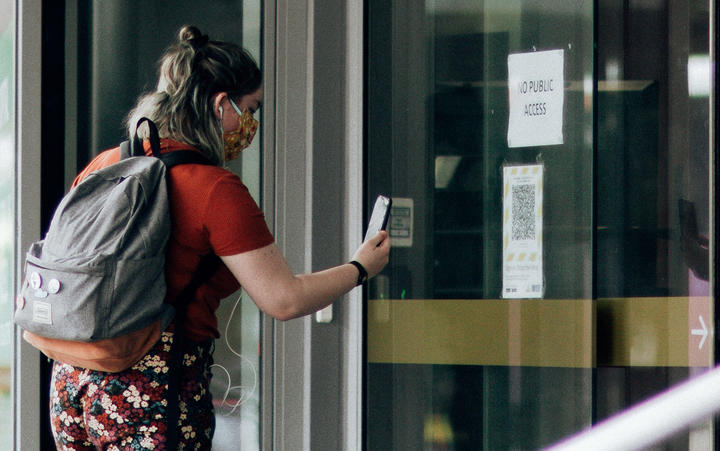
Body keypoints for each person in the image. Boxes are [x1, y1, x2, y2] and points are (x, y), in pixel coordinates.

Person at [49, 25, 390, 450]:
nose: (252, 124)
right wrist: (360, 267)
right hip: (152, 389)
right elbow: (284, 299)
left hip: (73, 382)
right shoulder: (214, 188)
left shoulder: (105, 163)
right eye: (251, 108)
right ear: (220, 104)